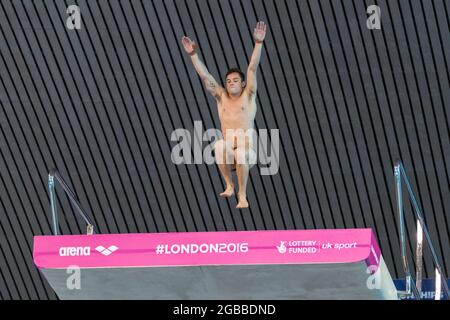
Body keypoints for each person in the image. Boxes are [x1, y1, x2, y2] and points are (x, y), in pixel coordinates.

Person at [182, 21, 267, 209]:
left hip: (247, 153)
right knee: (220, 144)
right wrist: (193, 54)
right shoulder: (221, 97)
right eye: (228, 81)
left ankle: (242, 195)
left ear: (243, 84)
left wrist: (258, 43)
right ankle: (229, 184)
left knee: (241, 153)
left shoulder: (248, 96)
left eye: (236, 80)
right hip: (229, 154)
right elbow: (205, 76)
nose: (231, 84)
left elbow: (252, 68)